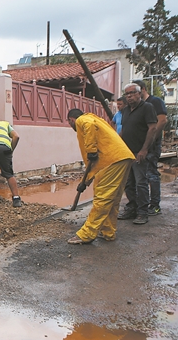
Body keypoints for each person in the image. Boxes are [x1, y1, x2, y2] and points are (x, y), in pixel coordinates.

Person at [66, 109, 134, 244]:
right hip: (121, 157)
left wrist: (91, 150)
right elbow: (93, 166)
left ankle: (86, 234)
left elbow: (88, 126)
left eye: (69, 123)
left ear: (71, 120)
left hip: (112, 160)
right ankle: (108, 231)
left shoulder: (82, 119)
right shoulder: (98, 120)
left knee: (102, 198)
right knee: (112, 199)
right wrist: (84, 183)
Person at [117, 83, 158, 225]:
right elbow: (124, 129)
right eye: (127, 93)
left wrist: (144, 149)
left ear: (139, 93)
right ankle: (132, 207)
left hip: (140, 152)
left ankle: (142, 212)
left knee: (141, 183)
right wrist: (118, 145)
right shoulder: (126, 110)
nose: (129, 96)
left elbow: (152, 128)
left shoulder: (147, 107)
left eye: (132, 93)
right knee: (129, 183)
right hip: (127, 153)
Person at [132, 79, 168, 216]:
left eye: (135, 91)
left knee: (151, 174)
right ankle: (141, 204)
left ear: (142, 89)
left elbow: (162, 120)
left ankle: (155, 205)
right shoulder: (139, 106)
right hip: (139, 145)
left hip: (151, 146)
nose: (131, 95)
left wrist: (152, 139)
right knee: (141, 177)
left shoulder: (155, 102)